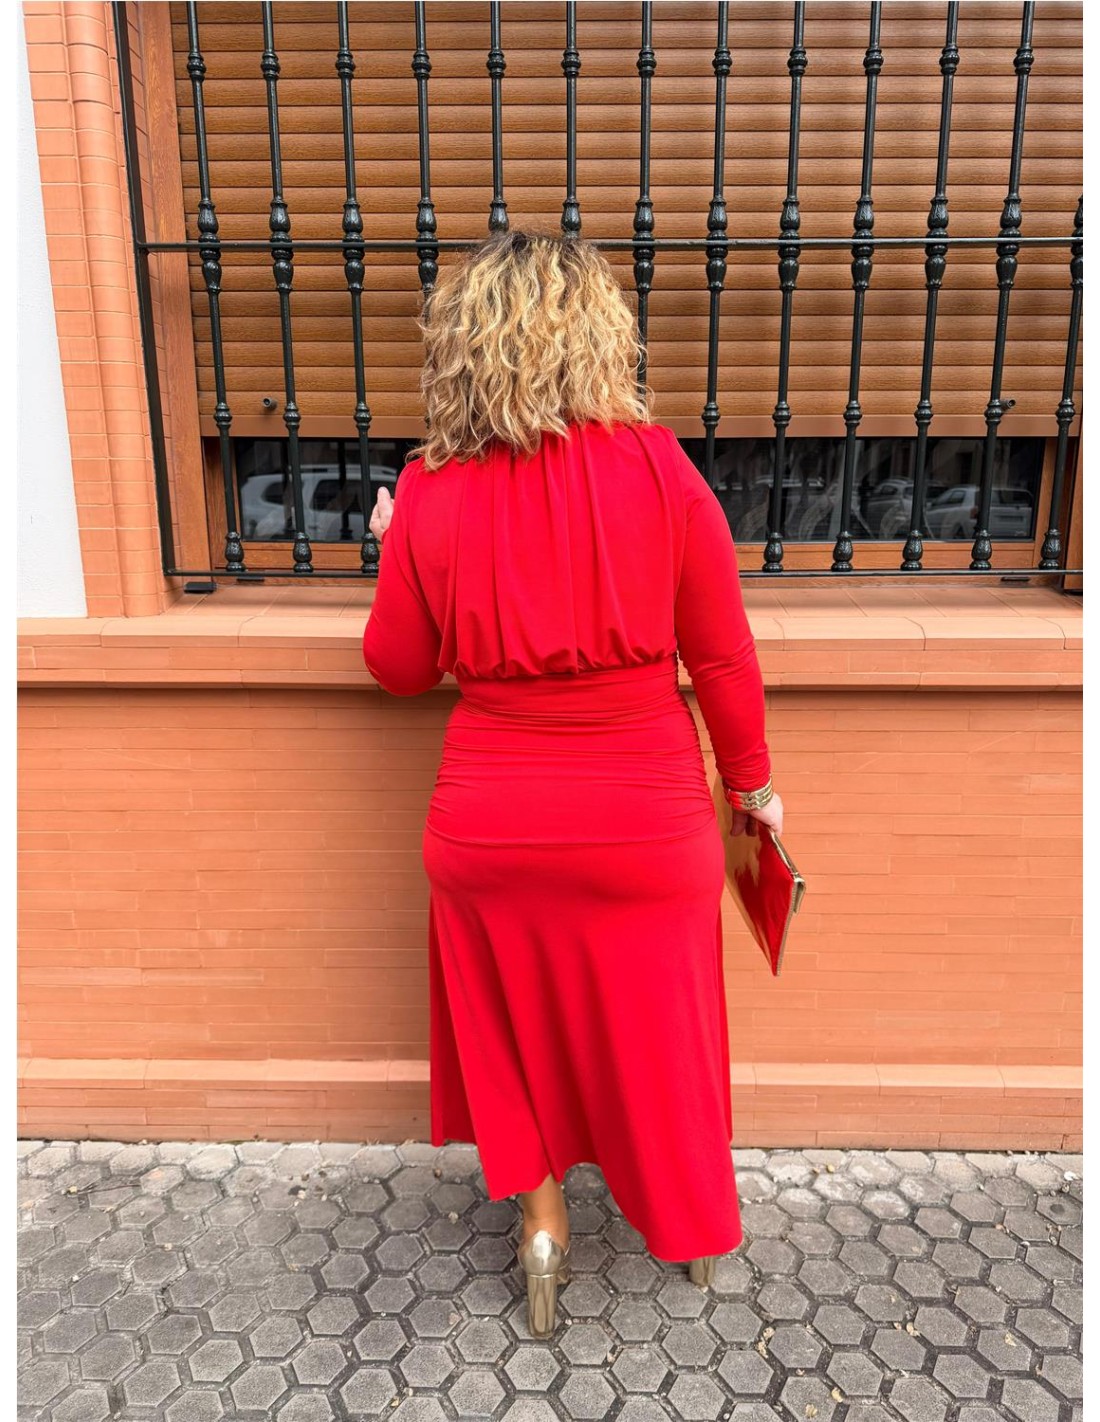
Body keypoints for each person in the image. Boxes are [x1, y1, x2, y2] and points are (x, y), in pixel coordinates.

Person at [361, 229, 783, 1337]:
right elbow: (723, 658)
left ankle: (544, 1229)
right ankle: (691, 1227)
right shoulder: (659, 468)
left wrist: (395, 545)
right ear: (599, 334)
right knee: (664, 1031)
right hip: (644, 816)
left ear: (463, 346)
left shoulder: (430, 489)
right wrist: (752, 791)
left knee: (513, 1032)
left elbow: (399, 669)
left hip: (488, 821)